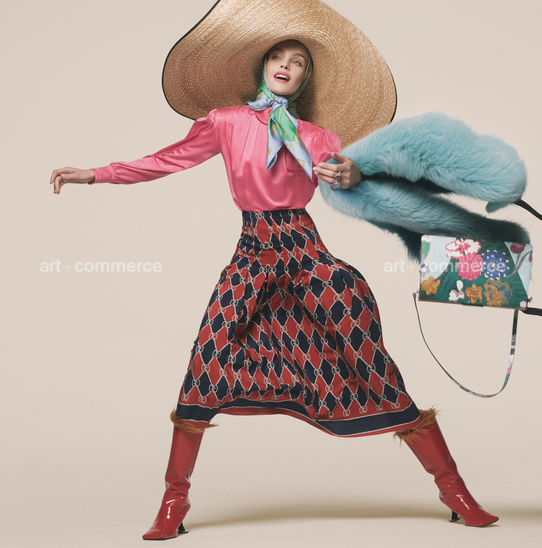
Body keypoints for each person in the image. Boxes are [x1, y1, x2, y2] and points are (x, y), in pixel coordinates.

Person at [49, 0, 498, 541]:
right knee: (206, 363)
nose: (286, 65)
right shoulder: (226, 122)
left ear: (305, 77)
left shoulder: (320, 137)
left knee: (370, 362)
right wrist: (95, 174)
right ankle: (173, 501)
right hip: (253, 256)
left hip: (307, 255)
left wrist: (356, 177)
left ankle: (455, 492)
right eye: (278, 56)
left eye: (298, 61)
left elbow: (373, 196)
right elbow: (165, 160)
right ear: (262, 66)